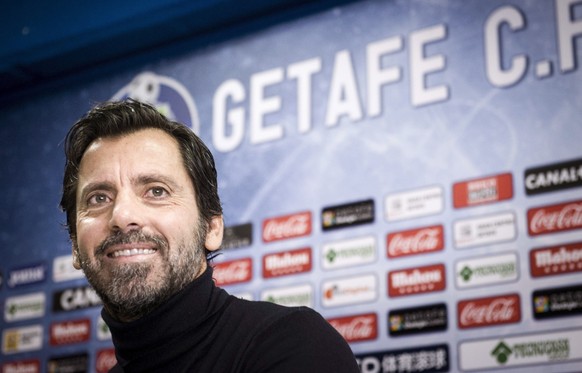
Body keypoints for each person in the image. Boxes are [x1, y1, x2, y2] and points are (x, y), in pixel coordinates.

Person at [60, 99, 360, 372]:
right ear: (74, 244)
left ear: (211, 228)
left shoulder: (292, 342)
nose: (122, 216)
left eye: (156, 191)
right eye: (98, 198)